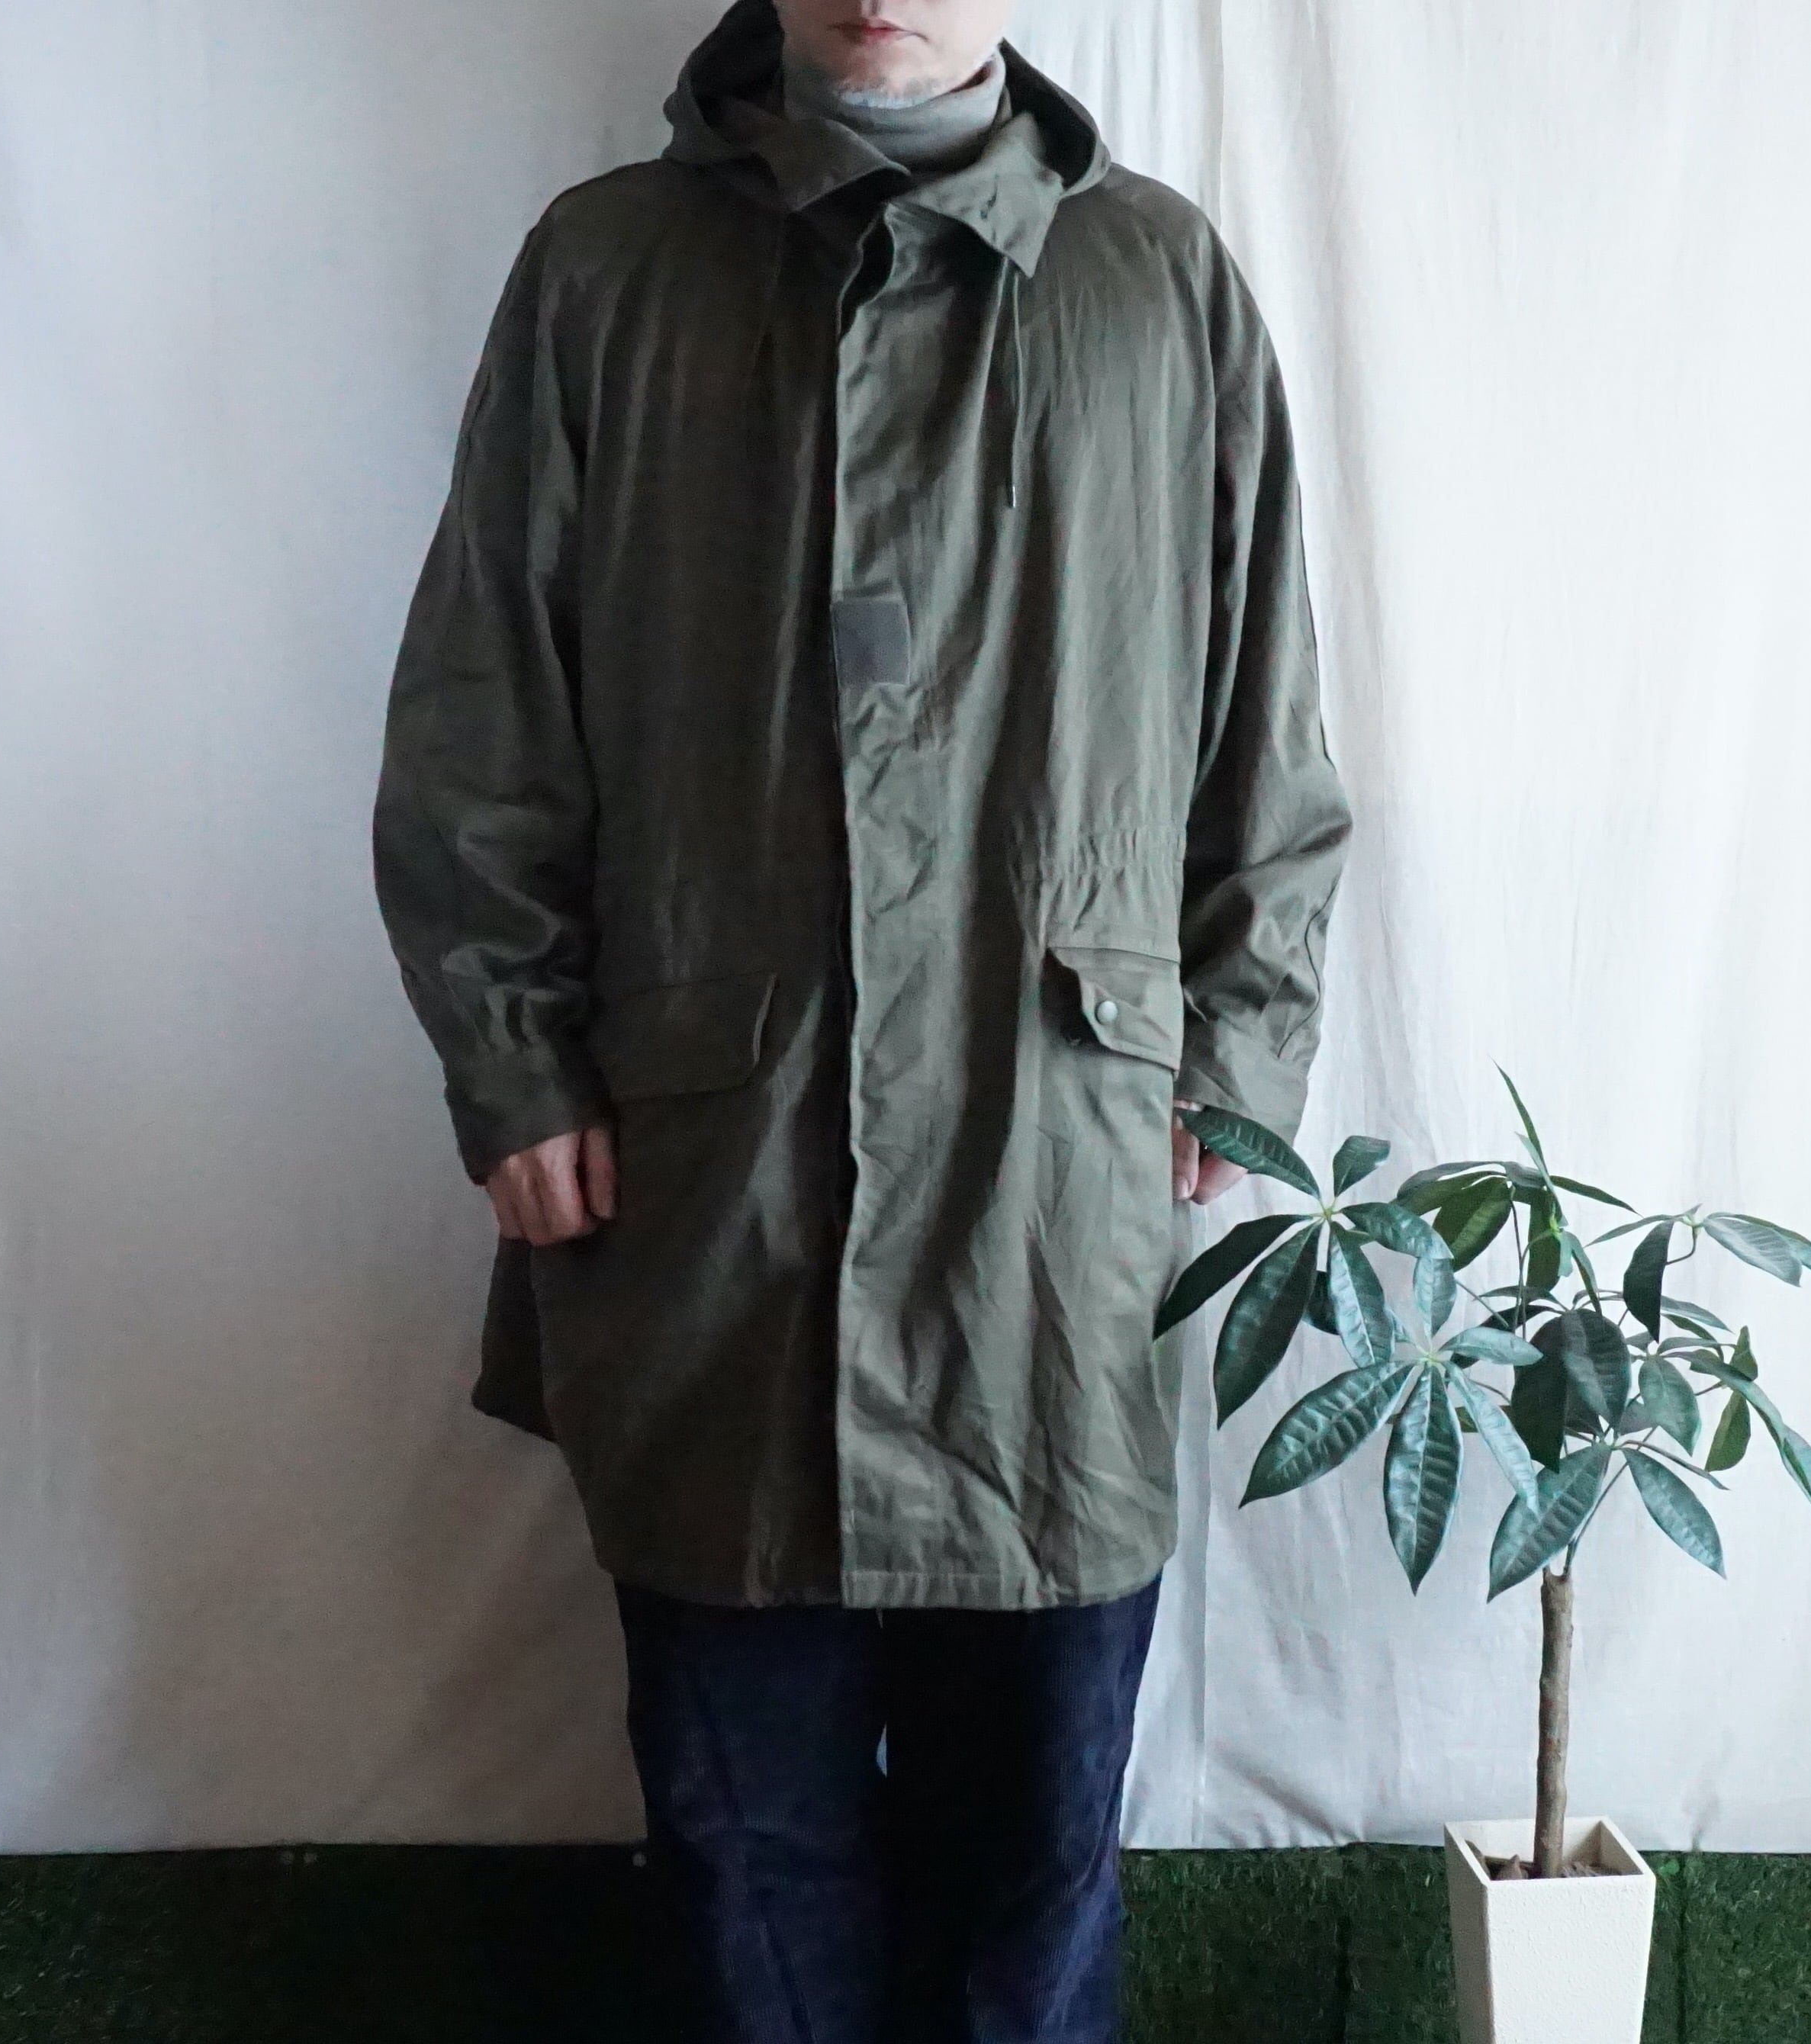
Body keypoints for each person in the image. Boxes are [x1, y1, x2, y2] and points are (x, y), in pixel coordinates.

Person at [373, 0, 1353, 2035]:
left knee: (1039, 1842)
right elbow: (486, 698)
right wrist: (513, 1059)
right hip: (710, 1165)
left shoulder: (1154, 280)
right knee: (745, 1843)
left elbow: (1264, 726)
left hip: (1053, 1177)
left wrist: (1237, 1060)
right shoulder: (609, 268)